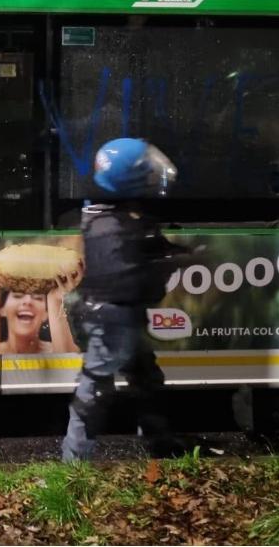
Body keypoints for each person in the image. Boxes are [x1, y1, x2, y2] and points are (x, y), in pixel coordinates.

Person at [62, 137, 187, 462]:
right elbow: (125, 276)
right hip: (112, 319)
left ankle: (160, 444)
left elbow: (143, 249)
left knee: (146, 381)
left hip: (123, 317)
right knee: (94, 392)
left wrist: (172, 253)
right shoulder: (108, 227)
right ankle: (73, 462)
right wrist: (169, 264)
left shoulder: (112, 215)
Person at [0, 250, 82, 355]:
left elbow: (69, 363)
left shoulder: (60, 350)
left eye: (37, 298)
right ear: (2, 309)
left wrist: (55, 299)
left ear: (46, 314)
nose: (28, 301)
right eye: (17, 296)